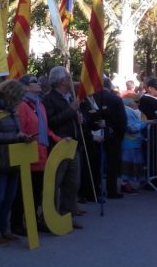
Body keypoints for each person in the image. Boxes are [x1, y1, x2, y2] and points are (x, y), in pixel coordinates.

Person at [0, 80, 32, 245]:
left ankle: (5, 229)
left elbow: (15, 131)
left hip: (14, 157)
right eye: (18, 97)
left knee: (10, 197)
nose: (20, 100)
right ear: (11, 95)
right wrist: (14, 137)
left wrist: (23, 136)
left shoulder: (12, 111)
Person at [14, 74, 61, 234]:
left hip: (41, 153)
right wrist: (25, 138)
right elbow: (19, 130)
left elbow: (45, 129)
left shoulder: (39, 105)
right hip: (28, 154)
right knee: (23, 191)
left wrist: (59, 139)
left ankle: (32, 221)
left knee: (36, 191)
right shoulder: (22, 106)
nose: (38, 83)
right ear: (25, 87)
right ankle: (17, 223)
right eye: (34, 81)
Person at [43, 66, 84, 229]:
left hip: (73, 145)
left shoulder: (69, 96)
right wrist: (70, 110)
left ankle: (68, 216)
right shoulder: (49, 99)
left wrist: (80, 119)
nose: (70, 80)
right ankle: (51, 217)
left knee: (73, 182)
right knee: (56, 182)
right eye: (68, 78)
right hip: (58, 145)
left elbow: (72, 117)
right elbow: (51, 122)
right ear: (61, 81)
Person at [92, 78, 127, 198]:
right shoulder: (116, 99)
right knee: (112, 163)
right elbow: (122, 120)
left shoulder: (94, 97)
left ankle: (95, 189)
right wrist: (120, 134)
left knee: (97, 162)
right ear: (110, 86)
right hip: (114, 135)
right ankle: (111, 190)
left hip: (97, 133)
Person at [121, 95, 152, 193]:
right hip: (129, 143)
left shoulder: (132, 111)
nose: (138, 104)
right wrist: (145, 123)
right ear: (129, 103)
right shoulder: (127, 112)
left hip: (134, 142)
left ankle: (129, 184)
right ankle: (125, 185)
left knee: (133, 165)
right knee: (127, 166)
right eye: (135, 102)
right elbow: (132, 128)